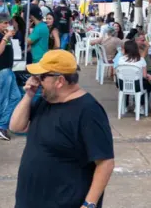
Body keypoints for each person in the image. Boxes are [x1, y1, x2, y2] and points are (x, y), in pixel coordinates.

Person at [10, 50, 115, 208]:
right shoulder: (46, 100)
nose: (35, 81)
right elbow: (16, 126)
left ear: (59, 81)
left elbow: (105, 162)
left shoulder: (88, 111)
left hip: (65, 201)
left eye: (41, 77)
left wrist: (89, 204)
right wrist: (28, 95)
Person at [0, 13, 22, 141]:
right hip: (0, 72)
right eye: (5, 23)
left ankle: (1, 125)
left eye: (9, 23)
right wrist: (6, 37)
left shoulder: (4, 35)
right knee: (4, 99)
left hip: (8, 71)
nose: (8, 25)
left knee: (16, 97)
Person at [117, 40, 151, 106]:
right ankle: (141, 105)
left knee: (126, 79)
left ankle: (125, 105)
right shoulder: (141, 60)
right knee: (147, 84)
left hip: (123, 85)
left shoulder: (120, 59)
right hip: (137, 86)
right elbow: (144, 76)